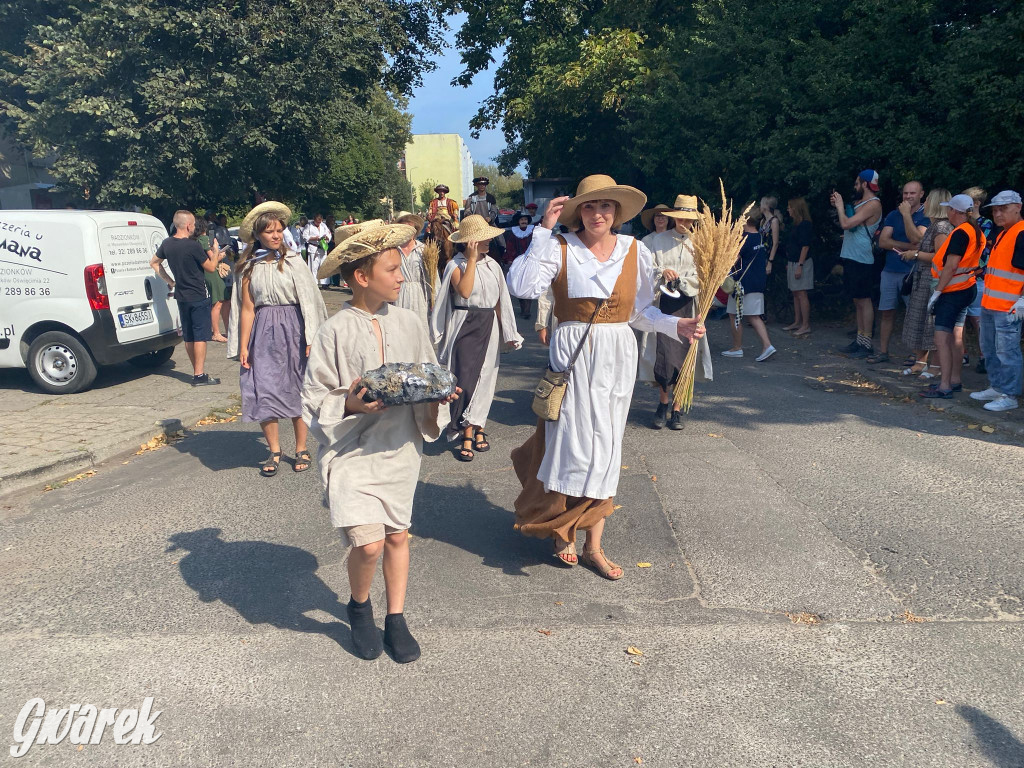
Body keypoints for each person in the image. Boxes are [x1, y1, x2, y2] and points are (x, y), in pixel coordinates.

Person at [506, 175, 706, 578]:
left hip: (617, 354)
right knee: (569, 444)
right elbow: (522, 287)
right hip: (573, 353)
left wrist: (676, 326)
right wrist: (544, 229)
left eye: (607, 207)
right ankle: (563, 533)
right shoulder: (560, 247)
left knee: (607, 445)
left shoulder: (634, 250)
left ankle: (594, 544)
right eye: (592, 207)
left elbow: (640, 313)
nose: (599, 214)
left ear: (617, 212)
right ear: (578, 211)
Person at [301, 223, 461, 663]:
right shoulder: (335, 331)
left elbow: (427, 373)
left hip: (399, 446)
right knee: (367, 543)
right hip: (351, 450)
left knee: (397, 537)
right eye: (393, 269)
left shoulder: (409, 322)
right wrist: (349, 405)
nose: (402, 277)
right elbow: (314, 395)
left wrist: (441, 393)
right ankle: (359, 607)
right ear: (361, 277)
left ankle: (396, 616)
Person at [228, 202, 328, 476]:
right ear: (258, 235)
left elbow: (310, 302)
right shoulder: (249, 267)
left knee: (297, 387)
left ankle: (300, 447)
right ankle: (274, 450)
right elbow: (247, 309)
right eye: (270, 231)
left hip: (294, 330)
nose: (276, 235)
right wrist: (244, 344)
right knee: (264, 389)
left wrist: (311, 337)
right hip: (263, 333)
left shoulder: (295, 262)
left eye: (279, 230)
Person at [430, 214, 523, 461]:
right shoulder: (455, 265)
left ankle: (478, 427)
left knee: (487, 378)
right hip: (464, 325)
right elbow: (465, 291)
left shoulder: (493, 265)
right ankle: (465, 432)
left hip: (488, 325)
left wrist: (509, 331)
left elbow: (501, 300)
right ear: (470, 242)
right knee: (466, 378)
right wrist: (471, 260)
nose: (489, 242)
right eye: (483, 239)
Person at [638, 194, 713, 429]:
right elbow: (645, 269)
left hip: (689, 306)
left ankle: (678, 409)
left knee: (686, 356)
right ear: (674, 217)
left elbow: (705, 277)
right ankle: (663, 402)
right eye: (680, 217)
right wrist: (663, 272)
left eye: (689, 218)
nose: (684, 222)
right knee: (664, 357)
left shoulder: (701, 244)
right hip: (663, 306)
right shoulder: (658, 241)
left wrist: (683, 281)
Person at [916, 194, 985, 399]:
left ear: (955, 211)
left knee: (941, 337)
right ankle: (954, 380)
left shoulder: (960, 233)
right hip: (967, 286)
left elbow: (951, 265)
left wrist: (937, 292)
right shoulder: (975, 230)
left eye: (949, 209)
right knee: (955, 336)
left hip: (953, 291)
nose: (947, 212)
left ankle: (944, 385)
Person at [150, 210, 224, 386]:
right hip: (198, 294)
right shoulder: (193, 246)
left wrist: (170, 281)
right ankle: (199, 375)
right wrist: (215, 251)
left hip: (181, 295)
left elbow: (154, 262)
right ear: (189, 225)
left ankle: (196, 372)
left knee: (189, 336)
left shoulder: (167, 244)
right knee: (200, 336)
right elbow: (211, 268)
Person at [970, 190, 1024, 412]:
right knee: (990, 349)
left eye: (1003, 209)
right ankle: (998, 387)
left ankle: (1009, 395)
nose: (998, 214)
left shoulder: (1020, 233)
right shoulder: (1004, 233)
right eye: (995, 210)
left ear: (1017, 208)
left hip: (1009, 306)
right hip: (992, 303)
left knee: (1007, 352)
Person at [874, 181, 929, 364]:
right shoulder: (892, 215)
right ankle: (883, 352)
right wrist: (908, 247)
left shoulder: (926, 215)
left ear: (921, 194)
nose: (908, 197)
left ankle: (917, 355)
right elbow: (883, 242)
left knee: (914, 314)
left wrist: (906, 215)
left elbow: (918, 240)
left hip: (913, 272)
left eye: (912, 193)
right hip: (890, 270)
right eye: (905, 193)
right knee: (887, 311)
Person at [831, 170, 883, 359]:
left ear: (865, 184)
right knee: (857, 300)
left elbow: (846, 223)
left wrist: (839, 206)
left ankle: (866, 344)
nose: (855, 187)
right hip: (852, 256)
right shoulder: (861, 203)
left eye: (857, 183)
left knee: (864, 300)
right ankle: (860, 340)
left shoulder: (873, 204)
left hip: (862, 258)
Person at [900, 189, 952, 378]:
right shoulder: (932, 225)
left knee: (932, 325)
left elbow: (940, 257)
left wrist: (915, 254)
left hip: (933, 281)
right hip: (922, 280)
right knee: (919, 322)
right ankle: (920, 362)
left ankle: (936, 367)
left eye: (928, 199)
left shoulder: (942, 227)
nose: (925, 202)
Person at [722, 209, 776, 361]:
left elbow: (732, 260)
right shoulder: (760, 237)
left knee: (738, 315)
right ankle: (762, 345)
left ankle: (747, 346)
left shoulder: (743, 239)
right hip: (757, 281)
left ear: (745, 219)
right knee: (753, 315)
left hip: (742, 284)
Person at [962, 187, 996, 373]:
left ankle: (984, 357)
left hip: (978, 277)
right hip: (960, 277)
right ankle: (962, 354)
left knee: (977, 319)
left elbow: (983, 250)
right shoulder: (959, 222)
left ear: (976, 203)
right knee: (961, 318)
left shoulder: (986, 223)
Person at [394, 213, 434, 328]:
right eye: (404, 228)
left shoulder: (424, 250)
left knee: (419, 327)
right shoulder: (394, 250)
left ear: (415, 230)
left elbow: (432, 277)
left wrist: (434, 299)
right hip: (399, 293)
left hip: (419, 294)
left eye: (411, 228)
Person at [783, 197, 814, 336]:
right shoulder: (796, 224)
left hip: (802, 262)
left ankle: (805, 324)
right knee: (795, 293)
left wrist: (800, 265)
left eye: (790, 207)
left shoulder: (805, 225)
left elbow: (805, 246)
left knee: (802, 293)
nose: (788, 209)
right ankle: (797, 321)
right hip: (793, 261)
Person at [504, 211, 535, 317]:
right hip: (517, 262)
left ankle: (527, 311)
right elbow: (510, 247)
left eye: (525, 219)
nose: (524, 221)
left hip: (530, 261)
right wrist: (510, 259)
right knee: (518, 285)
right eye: (522, 220)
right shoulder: (513, 233)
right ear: (518, 221)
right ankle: (523, 309)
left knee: (529, 285)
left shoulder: (533, 231)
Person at [302, 213, 332, 288]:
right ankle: (314, 283)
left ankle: (325, 283)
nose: (318, 223)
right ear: (314, 220)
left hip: (322, 248)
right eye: (317, 222)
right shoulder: (308, 226)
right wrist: (314, 238)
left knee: (323, 266)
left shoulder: (323, 225)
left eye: (320, 221)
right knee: (313, 267)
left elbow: (329, 234)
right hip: (313, 247)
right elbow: (305, 236)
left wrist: (327, 238)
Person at [759, 196, 784, 281]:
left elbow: (775, 243)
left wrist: (770, 261)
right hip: (762, 255)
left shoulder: (774, 221)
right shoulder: (763, 221)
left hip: (769, 256)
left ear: (765, 206)